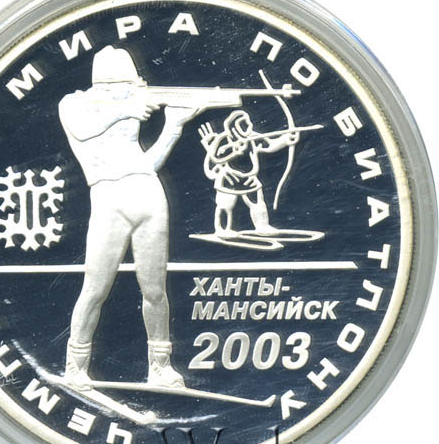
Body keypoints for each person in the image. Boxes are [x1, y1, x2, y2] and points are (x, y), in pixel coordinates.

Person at [58, 45, 196, 391]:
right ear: (105, 85)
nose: (135, 90)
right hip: (109, 198)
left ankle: (160, 367)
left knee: (155, 290)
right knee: (95, 288)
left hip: (148, 194)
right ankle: (75, 367)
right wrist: (125, 108)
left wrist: (173, 128)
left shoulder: (126, 108)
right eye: (128, 85)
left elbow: (145, 165)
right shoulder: (74, 104)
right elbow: (84, 130)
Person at [198, 110, 299, 237]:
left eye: (248, 122)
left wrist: (285, 140)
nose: (249, 126)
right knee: (225, 205)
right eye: (243, 124)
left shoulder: (252, 138)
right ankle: (222, 229)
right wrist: (234, 151)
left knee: (257, 203)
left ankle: (262, 227)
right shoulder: (224, 140)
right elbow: (215, 157)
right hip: (230, 178)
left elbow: (269, 145)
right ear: (234, 127)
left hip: (249, 179)